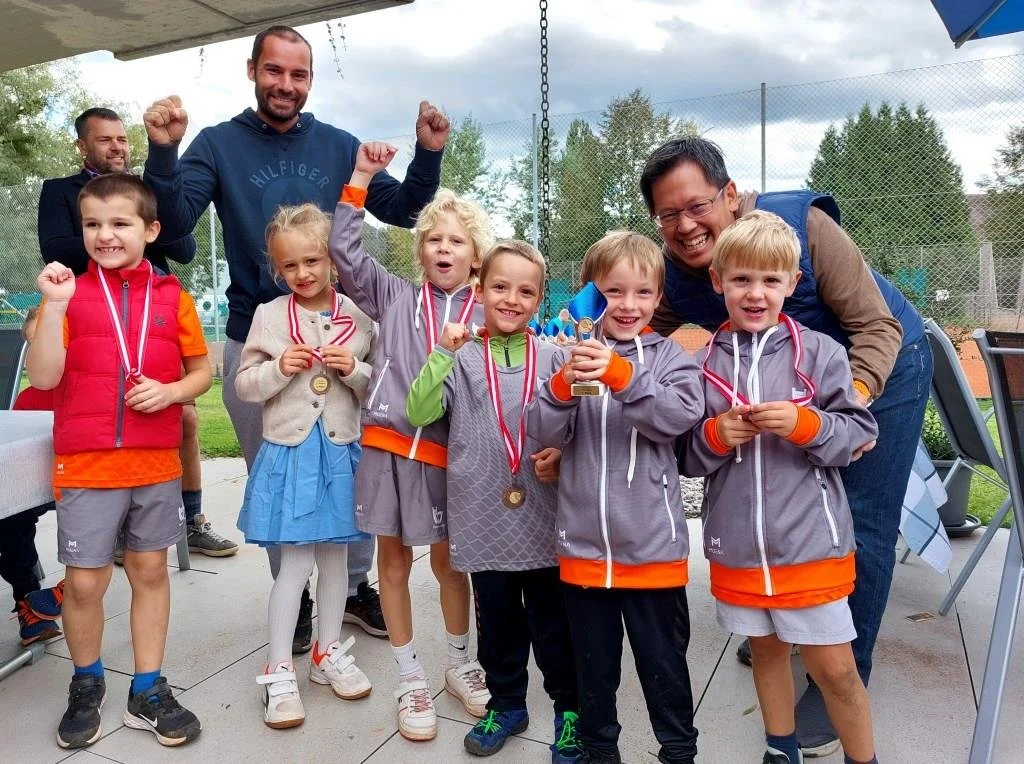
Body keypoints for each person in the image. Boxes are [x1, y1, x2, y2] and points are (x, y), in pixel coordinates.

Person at [142, 24, 450, 649]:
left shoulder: (336, 145)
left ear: (310, 79)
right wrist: (164, 153)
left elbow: (404, 209)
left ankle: (354, 588)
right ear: (252, 70)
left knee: (352, 471)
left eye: (298, 74)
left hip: (341, 338)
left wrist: (427, 154)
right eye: (274, 71)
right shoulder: (217, 144)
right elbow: (172, 221)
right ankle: (298, 593)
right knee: (279, 480)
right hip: (260, 339)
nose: (286, 84)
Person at [640, 137, 932, 757]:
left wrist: (832, 409)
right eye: (668, 214)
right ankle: (779, 619)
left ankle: (843, 670)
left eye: (696, 205)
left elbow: (875, 327)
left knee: (863, 518)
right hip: (775, 392)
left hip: (874, 364)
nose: (685, 225)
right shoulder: (680, 281)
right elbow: (629, 324)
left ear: (729, 194)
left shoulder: (806, 228)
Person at [680, 211, 878, 764]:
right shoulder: (699, 365)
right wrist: (716, 435)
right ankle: (780, 749)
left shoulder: (821, 352)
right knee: (766, 654)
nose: (756, 293)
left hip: (811, 548)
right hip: (738, 551)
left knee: (835, 670)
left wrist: (805, 424)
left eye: (770, 280)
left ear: (793, 283)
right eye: (741, 279)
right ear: (717, 281)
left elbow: (859, 434)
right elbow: (686, 458)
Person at [26, 174, 211, 749]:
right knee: (84, 583)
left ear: (150, 230)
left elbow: (201, 373)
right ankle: (87, 681)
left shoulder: (173, 297)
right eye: (92, 224)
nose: (105, 235)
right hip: (87, 467)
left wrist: (172, 392)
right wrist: (54, 307)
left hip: (154, 466)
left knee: (150, 573)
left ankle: (148, 688)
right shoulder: (67, 294)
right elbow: (44, 377)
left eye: (119, 223)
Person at [330, 143, 491, 741]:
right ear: (420, 249)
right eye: (434, 239)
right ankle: (409, 676)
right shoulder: (394, 296)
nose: (444, 248)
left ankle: (459, 663)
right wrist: (361, 177)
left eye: (457, 241)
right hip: (391, 449)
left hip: (455, 458)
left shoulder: (487, 311)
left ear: (476, 255)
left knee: (450, 565)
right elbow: (345, 252)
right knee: (393, 562)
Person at [527, 231, 703, 764]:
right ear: (591, 294)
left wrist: (621, 374)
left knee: (664, 667)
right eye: (613, 291)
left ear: (658, 296)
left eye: (643, 292)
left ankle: (678, 752)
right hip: (584, 550)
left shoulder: (670, 357)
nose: (628, 305)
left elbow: (676, 417)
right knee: (594, 670)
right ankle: (600, 751)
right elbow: (540, 430)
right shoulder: (568, 353)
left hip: (652, 552)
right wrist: (563, 386)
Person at [406, 240, 581, 761]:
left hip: (545, 519)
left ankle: (569, 712)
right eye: (500, 287)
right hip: (483, 518)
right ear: (479, 291)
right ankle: (506, 705)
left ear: (539, 300)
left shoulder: (555, 358)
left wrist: (564, 455)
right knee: (498, 625)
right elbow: (418, 412)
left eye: (525, 291)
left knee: (554, 625)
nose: (511, 299)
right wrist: (442, 352)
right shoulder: (460, 359)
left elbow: (582, 428)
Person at [37, 106, 236, 559]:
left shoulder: (149, 189)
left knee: (184, 419)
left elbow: (184, 245)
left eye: (122, 139)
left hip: (152, 314)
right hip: (93, 314)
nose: (117, 147)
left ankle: (191, 518)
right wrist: (122, 228)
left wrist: (143, 219)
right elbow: (57, 248)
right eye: (104, 139)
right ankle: (113, 527)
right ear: (83, 145)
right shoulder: (60, 190)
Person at [235, 203, 375, 729]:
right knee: (295, 564)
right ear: (277, 268)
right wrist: (277, 369)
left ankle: (325, 652)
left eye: (312, 260)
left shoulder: (359, 317)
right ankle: (278, 668)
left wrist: (355, 370)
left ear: (332, 259)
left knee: (337, 559)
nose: (302, 273)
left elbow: (377, 384)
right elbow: (244, 385)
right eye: (289, 265)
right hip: (292, 455)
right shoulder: (270, 316)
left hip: (340, 453)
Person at [3, 308, 62, 646]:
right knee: (9, 515)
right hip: (39, 484)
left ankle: (67, 590)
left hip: (89, 483)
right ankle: (27, 599)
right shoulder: (27, 400)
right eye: (31, 347)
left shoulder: (92, 389)